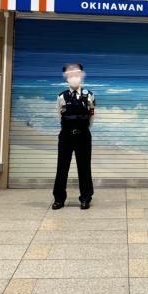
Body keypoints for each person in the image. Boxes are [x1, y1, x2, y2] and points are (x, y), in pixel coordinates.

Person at [52, 63, 95, 210]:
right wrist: (69, 129)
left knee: (84, 168)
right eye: (71, 75)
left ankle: (85, 198)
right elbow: (59, 116)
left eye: (77, 75)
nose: (74, 78)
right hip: (66, 137)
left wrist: (82, 128)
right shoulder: (61, 96)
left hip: (83, 136)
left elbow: (91, 117)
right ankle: (59, 199)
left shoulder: (89, 95)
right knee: (62, 168)